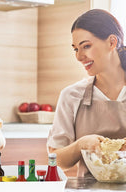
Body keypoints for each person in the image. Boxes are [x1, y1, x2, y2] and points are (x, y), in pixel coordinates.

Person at [47, 9, 126, 176]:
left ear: (112, 42)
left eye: (86, 46)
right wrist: (81, 144)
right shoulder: (72, 95)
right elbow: (56, 160)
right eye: (75, 49)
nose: (79, 56)